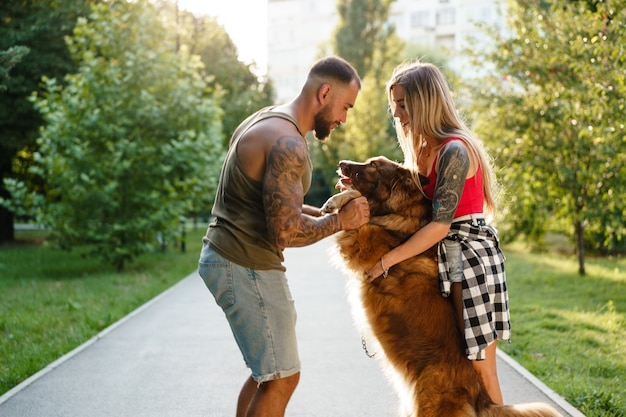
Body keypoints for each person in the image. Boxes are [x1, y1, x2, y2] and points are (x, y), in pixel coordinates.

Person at [198, 56, 370, 417]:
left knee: (270, 374)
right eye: (345, 106)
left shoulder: (266, 119)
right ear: (325, 93)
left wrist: (324, 213)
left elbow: (274, 206)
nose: (343, 119)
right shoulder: (290, 144)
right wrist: (343, 222)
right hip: (246, 265)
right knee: (282, 378)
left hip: (228, 257)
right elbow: (285, 232)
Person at [364, 60, 511, 405]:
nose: (396, 114)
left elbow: (440, 224)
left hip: (469, 258)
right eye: (394, 105)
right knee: (457, 362)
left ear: (425, 101)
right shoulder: (423, 148)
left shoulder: (454, 151)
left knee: (479, 367)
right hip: (444, 257)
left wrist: (386, 261)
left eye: (403, 104)